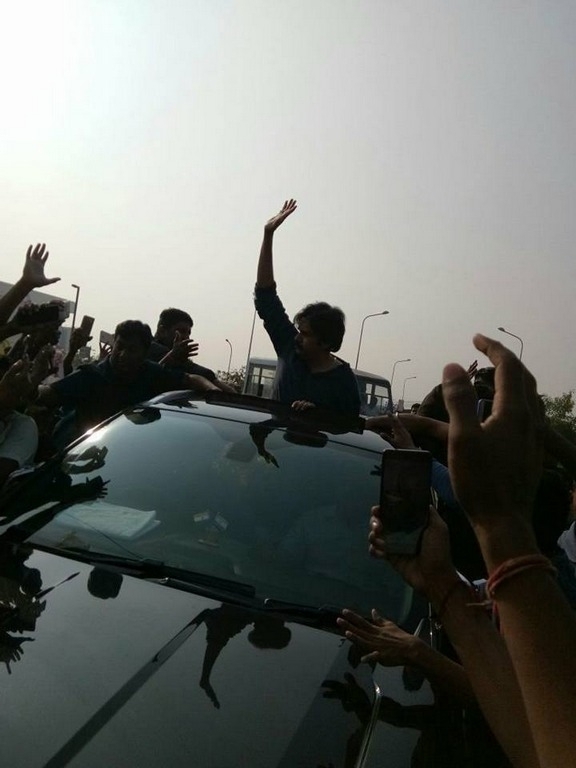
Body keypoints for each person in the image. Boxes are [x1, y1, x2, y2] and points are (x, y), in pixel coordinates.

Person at [362, 334, 576, 768]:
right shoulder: (544, 583)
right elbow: (537, 734)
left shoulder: (552, 600)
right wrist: (443, 587)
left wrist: (502, 527)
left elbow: (540, 726)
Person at [34, 320, 221, 447]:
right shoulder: (92, 376)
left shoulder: (152, 373)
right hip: (78, 454)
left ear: (144, 352)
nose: (123, 354)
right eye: (120, 347)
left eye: (132, 350)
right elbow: (46, 394)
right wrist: (32, 381)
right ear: (113, 344)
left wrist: (215, 394)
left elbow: (192, 379)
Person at [254, 200, 360, 415]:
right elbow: (266, 297)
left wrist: (318, 415)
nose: (297, 338)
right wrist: (268, 235)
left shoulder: (343, 381)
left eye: (306, 334)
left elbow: (348, 429)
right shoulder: (289, 347)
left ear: (327, 342)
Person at [148, 308, 236, 392]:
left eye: (188, 333)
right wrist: (172, 356)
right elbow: (149, 377)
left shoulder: (177, 358)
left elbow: (197, 371)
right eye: (182, 331)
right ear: (162, 331)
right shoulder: (149, 350)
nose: (186, 337)